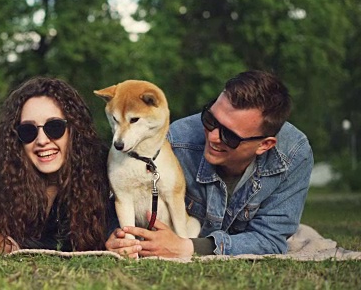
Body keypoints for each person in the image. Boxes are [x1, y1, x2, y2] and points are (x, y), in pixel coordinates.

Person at [106, 70, 314, 258]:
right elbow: (123, 198)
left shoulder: (294, 155)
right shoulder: (172, 142)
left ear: (265, 145)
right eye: (210, 120)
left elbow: (270, 239)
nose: (213, 137)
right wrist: (116, 236)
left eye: (229, 135)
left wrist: (189, 247)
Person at [0, 77, 118, 256]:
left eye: (54, 127)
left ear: (74, 130)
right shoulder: (0, 177)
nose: (42, 140)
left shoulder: (104, 174)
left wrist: (9, 245)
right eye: (28, 130)